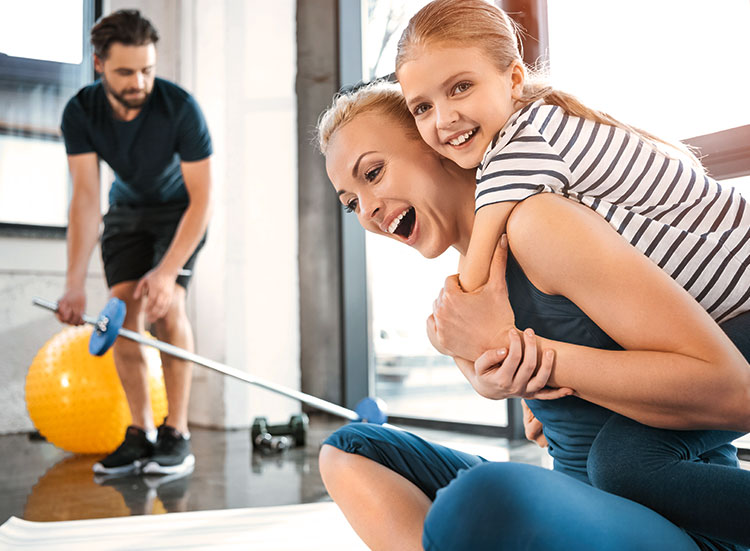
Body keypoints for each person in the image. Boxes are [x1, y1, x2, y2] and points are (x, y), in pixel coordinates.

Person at [316, 81, 750, 550]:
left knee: (482, 497)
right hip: (575, 505)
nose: (368, 211)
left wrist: (525, 355)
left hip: (675, 522)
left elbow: (730, 392)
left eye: (374, 173)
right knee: (348, 452)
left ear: (433, 141)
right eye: (351, 202)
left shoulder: (537, 223)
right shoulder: (466, 288)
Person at [395, 0, 750, 313]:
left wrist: (443, 332)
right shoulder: (544, 118)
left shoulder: (520, 144)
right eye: (423, 107)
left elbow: (473, 282)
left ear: (514, 78)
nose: (444, 119)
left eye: (461, 87)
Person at [55, 9, 213, 476]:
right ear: (99, 63)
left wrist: (166, 273)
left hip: (179, 214)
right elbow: (84, 199)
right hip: (126, 213)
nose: (139, 82)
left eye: (147, 69)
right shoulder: (81, 112)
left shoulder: (180, 108)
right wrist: (73, 283)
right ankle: (141, 433)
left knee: (168, 307)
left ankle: (177, 434)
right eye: (126, 71)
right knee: (120, 312)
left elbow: (202, 199)